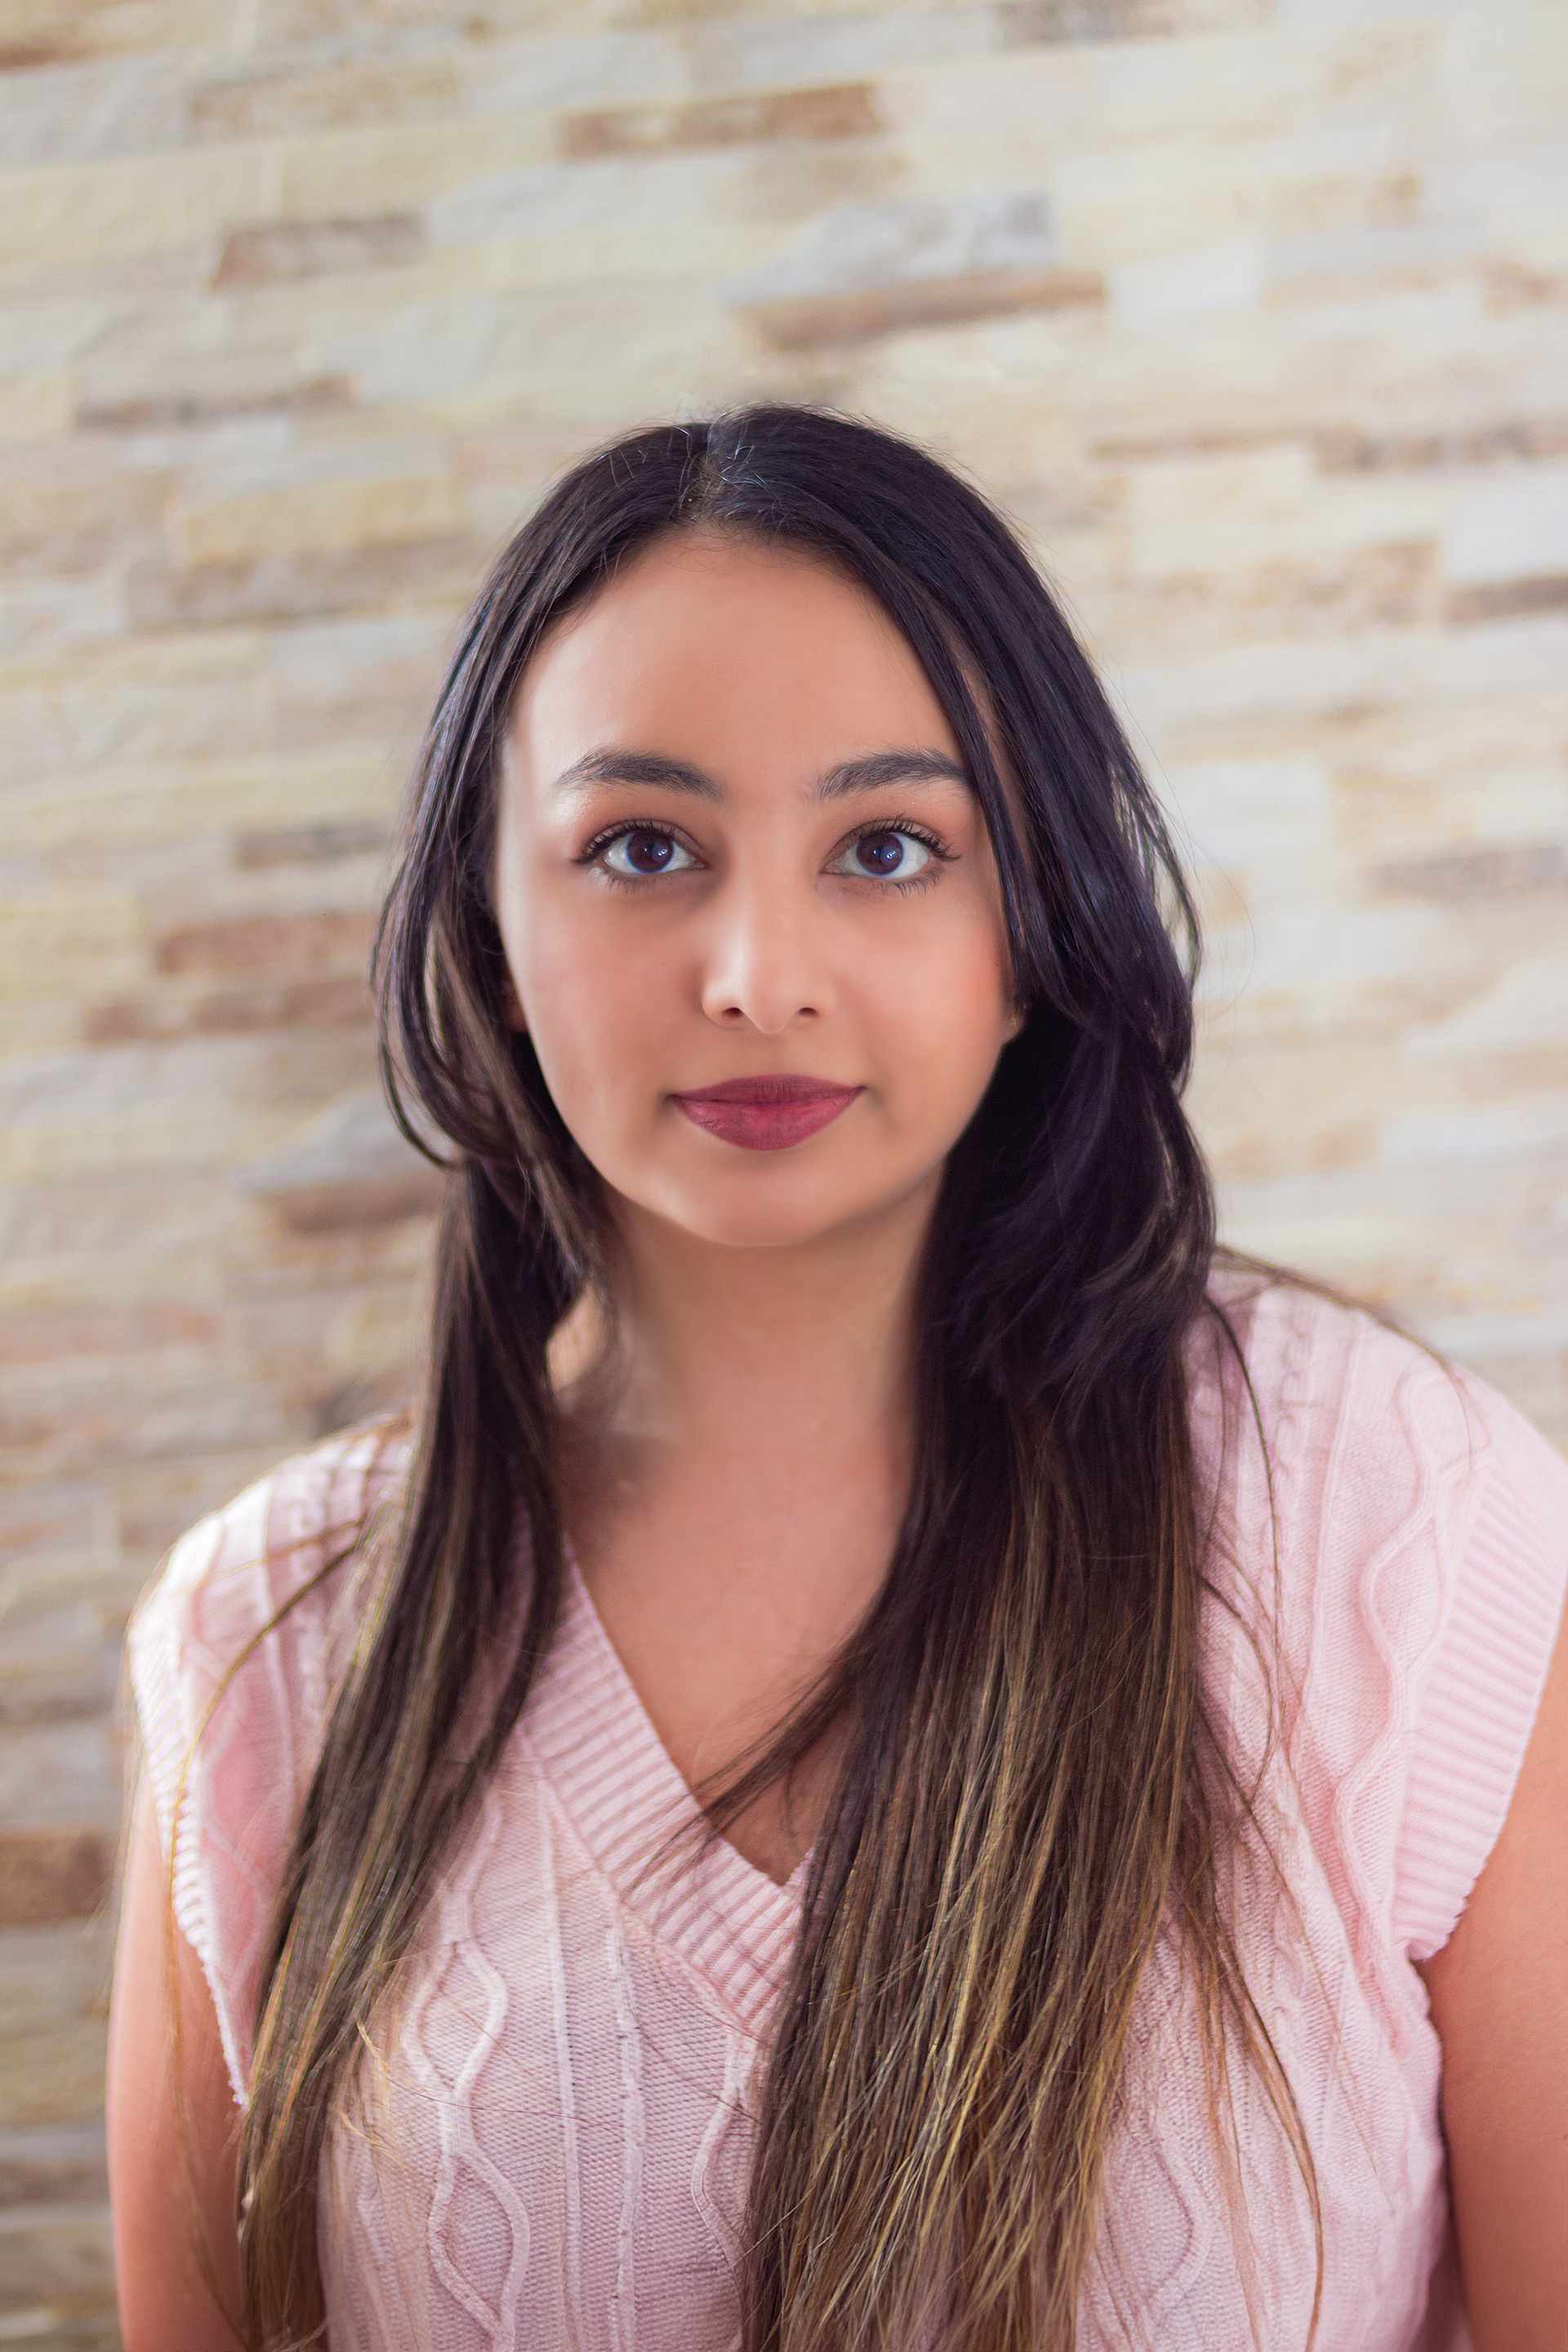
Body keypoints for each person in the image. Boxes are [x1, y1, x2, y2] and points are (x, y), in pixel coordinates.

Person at [107, 408, 1566, 2352]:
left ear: (1028, 926)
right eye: (642, 848)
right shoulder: (265, 1641)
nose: (758, 973)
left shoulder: (1395, 1520)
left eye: (888, 848)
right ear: (492, 927)